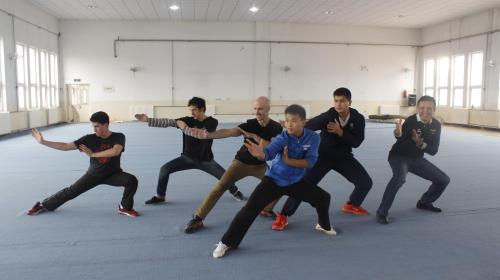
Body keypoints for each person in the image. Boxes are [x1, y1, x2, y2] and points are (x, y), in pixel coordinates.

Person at [212, 104, 336, 259]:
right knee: (249, 209)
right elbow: (269, 153)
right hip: (274, 180)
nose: (289, 124)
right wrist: (261, 155)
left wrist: (288, 161)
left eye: (294, 121)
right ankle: (226, 242)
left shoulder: (313, 137)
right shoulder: (283, 137)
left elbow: (310, 162)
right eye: (287, 120)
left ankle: (323, 225)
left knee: (323, 198)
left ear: (304, 122)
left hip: (295, 182)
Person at [273, 87, 373, 230]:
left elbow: (357, 142)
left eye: (342, 101)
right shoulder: (328, 116)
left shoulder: (358, 119)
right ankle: (283, 215)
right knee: (304, 185)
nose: (339, 104)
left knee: (365, 182)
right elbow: (309, 126)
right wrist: (293, 127)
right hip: (322, 157)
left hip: (344, 157)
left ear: (349, 102)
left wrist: (340, 132)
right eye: (336, 101)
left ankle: (352, 205)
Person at [183, 96, 283, 234]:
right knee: (219, 187)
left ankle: (266, 209)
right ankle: (198, 218)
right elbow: (230, 132)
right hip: (240, 163)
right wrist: (208, 135)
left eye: (260, 109)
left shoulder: (276, 127)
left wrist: (255, 137)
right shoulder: (249, 123)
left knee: (280, 184)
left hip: (260, 165)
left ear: (268, 109)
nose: (257, 112)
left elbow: (273, 146)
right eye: (255, 109)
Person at [27, 111, 139, 217]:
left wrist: (92, 154)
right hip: (94, 175)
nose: (94, 129)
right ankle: (43, 205)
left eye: (97, 126)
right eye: (93, 126)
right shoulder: (89, 139)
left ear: (106, 124)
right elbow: (66, 146)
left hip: (113, 174)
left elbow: (115, 151)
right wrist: (44, 142)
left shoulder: (118, 136)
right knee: (71, 192)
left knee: (131, 180)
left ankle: (124, 207)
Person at [135, 97, 246, 205]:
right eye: (190, 110)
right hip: (187, 158)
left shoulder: (212, 122)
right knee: (164, 169)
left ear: (202, 109)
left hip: (205, 160)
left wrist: (183, 127)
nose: (192, 113)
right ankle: (160, 196)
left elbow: (200, 134)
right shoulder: (187, 120)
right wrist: (148, 120)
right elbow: (168, 122)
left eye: (194, 110)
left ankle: (235, 191)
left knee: (225, 177)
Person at [376, 96, 450, 224]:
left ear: (434, 109)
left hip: (417, 159)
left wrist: (420, 144)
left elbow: (433, 151)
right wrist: (397, 133)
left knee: (443, 179)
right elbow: (400, 138)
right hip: (399, 156)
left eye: (429, 108)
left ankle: (424, 202)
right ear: (417, 108)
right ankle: (382, 211)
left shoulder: (436, 125)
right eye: (422, 108)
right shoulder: (411, 120)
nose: (425, 111)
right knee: (399, 179)